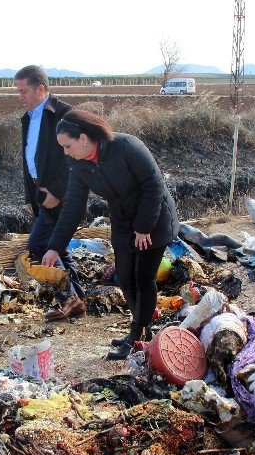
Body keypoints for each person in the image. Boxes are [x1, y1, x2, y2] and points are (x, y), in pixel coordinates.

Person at [41, 109, 179, 360]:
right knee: (125, 278)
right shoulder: (78, 163)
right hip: (123, 219)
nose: (65, 152)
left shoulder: (126, 146)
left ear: (83, 138)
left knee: (143, 278)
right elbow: (73, 206)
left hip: (154, 217)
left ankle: (138, 335)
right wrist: (54, 246)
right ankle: (141, 330)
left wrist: (144, 227)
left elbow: (153, 184)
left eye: (67, 145)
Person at [15, 65, 84, 321]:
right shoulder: (28, 117)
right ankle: (76, 300)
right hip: (40, 194)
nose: (19, 96)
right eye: (18, 91)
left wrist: (57, 191)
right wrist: (29, 198)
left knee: (38, 244)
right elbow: (28, 161)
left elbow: (76, 159)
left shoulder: (66, 115)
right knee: (60, 248)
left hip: (61, 195)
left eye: (23, 91)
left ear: (41, 89)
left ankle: (70, 299)